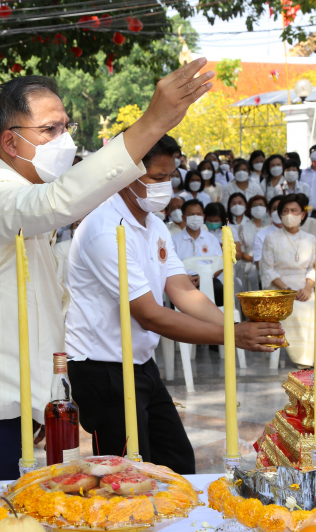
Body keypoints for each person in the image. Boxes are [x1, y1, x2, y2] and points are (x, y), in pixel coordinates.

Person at [0, 64, 216, 480]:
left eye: (66, 127)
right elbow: (57, 202)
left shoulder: (22, 193)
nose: (64, 140)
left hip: (34, 394)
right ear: (10, 142)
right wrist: (153, 121)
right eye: (50, 130)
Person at [65, 135, 283, 473]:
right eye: (156, 178)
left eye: (169, 178)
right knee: (126, 473)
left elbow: (182, 290)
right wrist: (231, 336)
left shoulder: (154, 225)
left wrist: (234, 325)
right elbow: (150, 315)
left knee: (177, 461)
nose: (164, 187)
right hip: (103, 368)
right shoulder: (104, 230)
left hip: (140, 362)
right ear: (124, 175)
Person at [260, 194, 316, 367]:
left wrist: (307, 288)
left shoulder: (311, 239)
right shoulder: (272, 238)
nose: (289, 214)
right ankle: (303, 359)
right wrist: (287, 290)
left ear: (303, 214)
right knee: (299, 309)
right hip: (279, 288)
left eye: (294, 210)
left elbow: (313, 268)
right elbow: (267, 270)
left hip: (305, 288)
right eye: (285, 211)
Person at [172, 199, 225, 304]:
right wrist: (185, 278)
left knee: (218, 289)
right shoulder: (174, 240)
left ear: (203, 217)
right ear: (183, 217)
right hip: (184, 280)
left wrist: (205, 276)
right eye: (191, 214)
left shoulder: (211, 238)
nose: (196, 217)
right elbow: (172, 266)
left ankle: (219, 319)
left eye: (199, 214)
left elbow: (220, 264)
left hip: (209, 278)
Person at [238, 195, 268, 291]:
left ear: (266, 208)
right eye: (255, 205)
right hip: (250, 263)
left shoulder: (272, 226)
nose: (258, 207)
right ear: (250, 210)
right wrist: (256, 261)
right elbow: (241, 252)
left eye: (261, 205)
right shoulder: (244, 227)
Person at [253, 195, 283, 283]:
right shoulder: (260, 235)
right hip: (271, 281)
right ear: (269, 213)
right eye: (275, 209)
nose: (278, 212)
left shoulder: (298, 234)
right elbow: (260, 264)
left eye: (282, 208)